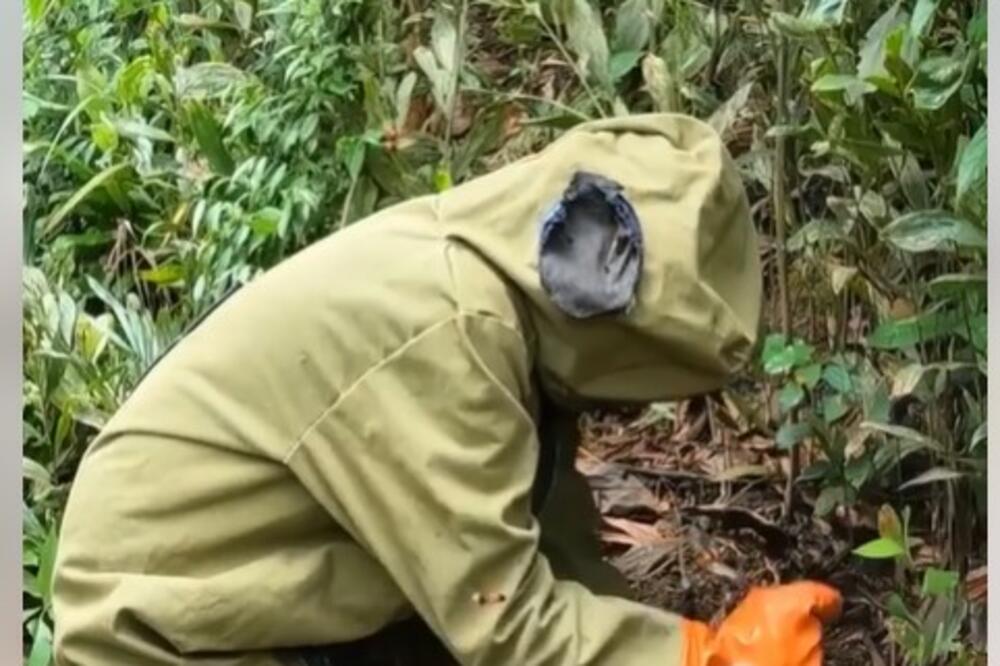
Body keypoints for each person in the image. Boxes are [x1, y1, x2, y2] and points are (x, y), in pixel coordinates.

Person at [52, 113, 841, 666]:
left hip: (268, 599)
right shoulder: (452, 337)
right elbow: (505, 628)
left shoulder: (502, 297)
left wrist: (667, 640)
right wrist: (705, 655)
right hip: (165, 635)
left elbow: (549, 544)